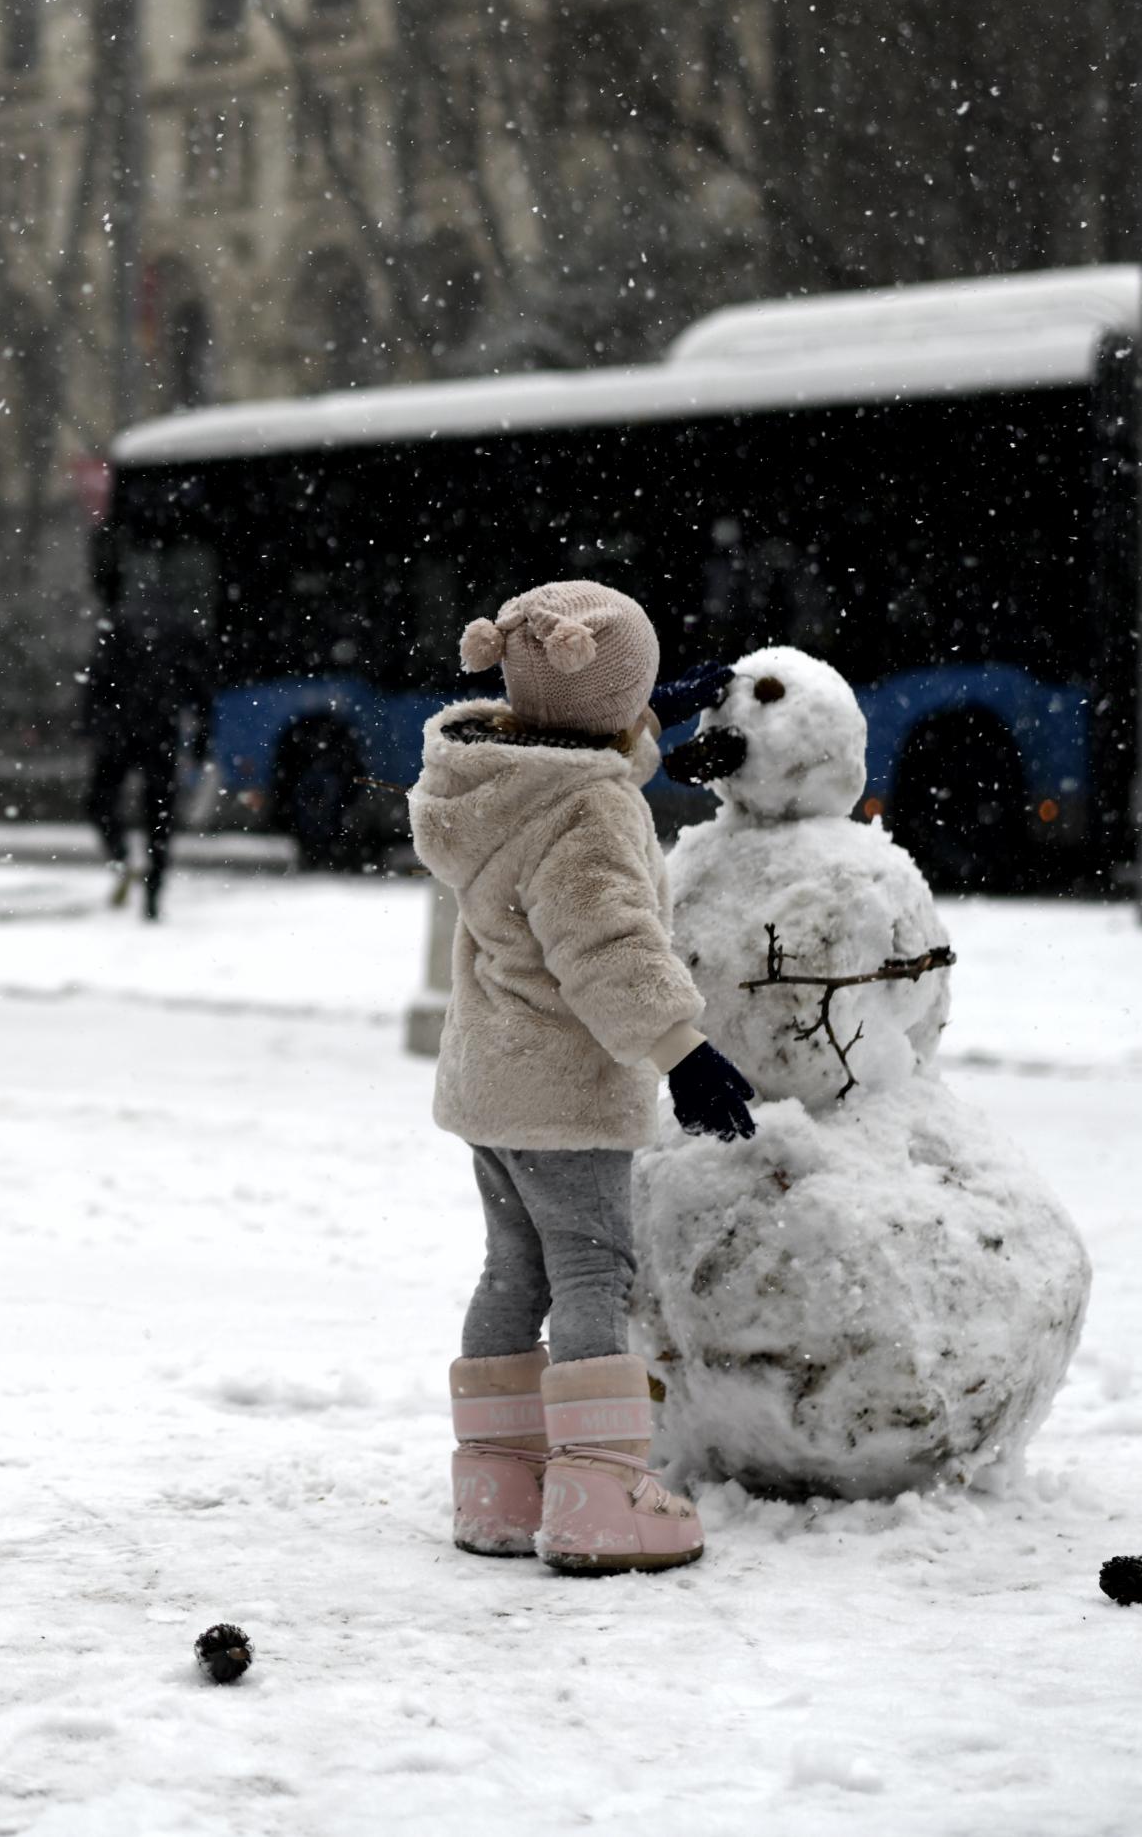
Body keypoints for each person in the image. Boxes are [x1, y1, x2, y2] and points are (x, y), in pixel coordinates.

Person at [407, 579, 754, 1575]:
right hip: (563, 1089)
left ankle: (499, 1483)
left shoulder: (489, 775)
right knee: (594, 1267)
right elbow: (606, 947)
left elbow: (572, 764)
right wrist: (682, 1051)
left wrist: (642, 712)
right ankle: (601, 1489)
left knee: (511, 1268)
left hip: (489, 1082)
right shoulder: (591, 808)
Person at [81, 601, 211, 921]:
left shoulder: (118, 629)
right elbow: (200, 691)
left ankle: (123, 860)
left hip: (120, 734)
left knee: (101, 804)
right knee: (159, 817)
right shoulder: (182, 633)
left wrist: (92, 726)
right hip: (159, 734)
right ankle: (153, 891)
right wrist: (200, 741)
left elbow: (96, 682)